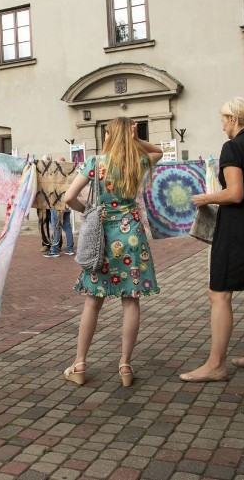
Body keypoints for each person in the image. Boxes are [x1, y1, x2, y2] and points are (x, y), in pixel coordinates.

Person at [180, 97, 244, 382]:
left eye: (224, 120)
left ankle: (216, 365)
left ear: (234, 119)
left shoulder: (233, 147)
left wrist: (206, 197)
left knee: (219, 293)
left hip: (240, 225)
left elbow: (235, 193)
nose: (222, 125)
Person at [62, 117, 163, 387]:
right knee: (131, 300)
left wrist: (89, 212)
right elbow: (158, 152)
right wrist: (135, 139)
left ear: (108, 134)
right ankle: (125, 366)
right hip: (132, 237)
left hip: (103, 239)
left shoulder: (96, 163)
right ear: (129, 135)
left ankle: (80, 365)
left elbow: (68, 197)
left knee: (93, 300)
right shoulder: (137, 162)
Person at [44, 158, 75, 258]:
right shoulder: (69, 175)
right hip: (67, 204)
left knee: (56, 227)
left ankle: (54, 250)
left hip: (57, 204)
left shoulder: (56, 175)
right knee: (67, 227)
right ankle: (70, 249)